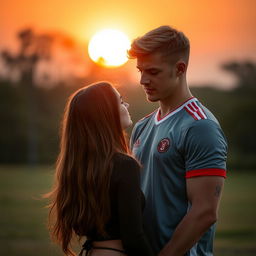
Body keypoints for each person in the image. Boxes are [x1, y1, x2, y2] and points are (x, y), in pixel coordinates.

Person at [128, 26, 228, 256]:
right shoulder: (142, 126)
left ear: (180, 69)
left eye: (153, 72)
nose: (143, 80)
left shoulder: (200, 126)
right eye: (140, 71)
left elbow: (205, 212)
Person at [46, 82, 155, 256]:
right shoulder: (125, 165)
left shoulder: (81, 167)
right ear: (105, 113)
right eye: (120, 101)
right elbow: (133, 237)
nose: (126, 105)